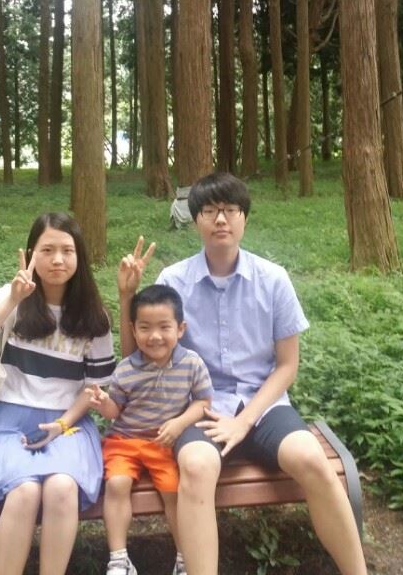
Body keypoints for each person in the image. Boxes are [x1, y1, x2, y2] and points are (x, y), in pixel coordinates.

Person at [118, 172, 369, 575]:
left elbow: (287, 365)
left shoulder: (273, 279)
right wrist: (126, 296)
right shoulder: (173, 281)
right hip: (200, 409)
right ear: (196, 220)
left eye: (230, 210)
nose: (220, 219)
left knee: (312, 459)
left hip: (264, 406)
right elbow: (137, 361)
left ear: (244, 218)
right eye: (209, 211)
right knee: (196, 466)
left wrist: (244, 421)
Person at [0, 212, 116, 575]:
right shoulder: (10, 298)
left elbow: (94, 387)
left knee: (62, 488)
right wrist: (11, 300)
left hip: (68, 423)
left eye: (67, 250)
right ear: (31, 254)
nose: (57, 260)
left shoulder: (94, 317)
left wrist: (62, 423)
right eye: (47, 250)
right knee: (23, 490)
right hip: (7, 421)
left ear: (79, 257)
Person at [86, 284, 212, 575]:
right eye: (145, 328)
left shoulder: (191, 364)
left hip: (164, 443)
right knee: (116, 485)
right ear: (133, 330)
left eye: (164, 327)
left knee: (173, 491)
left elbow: (203, 402)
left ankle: (185, 557)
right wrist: (103, 404)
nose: (155, 336)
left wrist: (180, 423)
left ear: (180, 329)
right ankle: (119, 559)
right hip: (124, 441)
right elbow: (115, 411)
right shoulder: (126, 369)